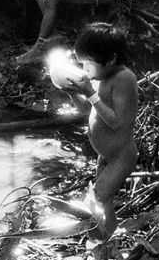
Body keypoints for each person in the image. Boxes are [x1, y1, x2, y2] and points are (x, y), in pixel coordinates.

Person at [58, 23, 138, 239]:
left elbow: (115, 122)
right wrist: (73, 93)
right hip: (106, 153)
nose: (85, 70)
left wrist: (90, 92)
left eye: (89, 64)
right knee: (97, 196)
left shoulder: (124, 78)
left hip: (121, 155)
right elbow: (88, 109)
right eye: (82, 63)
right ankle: (102, 237)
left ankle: (110, 244)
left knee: (102, 197)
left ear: (111, 59)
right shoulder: (100, 78)